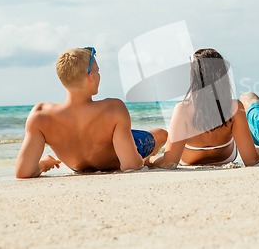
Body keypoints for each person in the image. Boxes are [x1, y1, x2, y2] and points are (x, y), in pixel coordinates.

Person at [15, 47, 167, 178]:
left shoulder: (40, 115)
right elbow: (130, 165)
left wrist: (42, 165)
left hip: (77, 165)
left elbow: (23, 172)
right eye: (97, 71)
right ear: (91, 77)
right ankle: (151, 159)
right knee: (161, 134)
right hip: (114, 160)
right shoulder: (113, 108)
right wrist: (142, 161)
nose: (98, 75)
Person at [148, 48, 259, 169]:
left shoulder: (183, 109)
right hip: (226, 157)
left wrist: (151, 159)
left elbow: (169, 163)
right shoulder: (234, 107)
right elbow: (251, 160)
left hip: (189, 159)